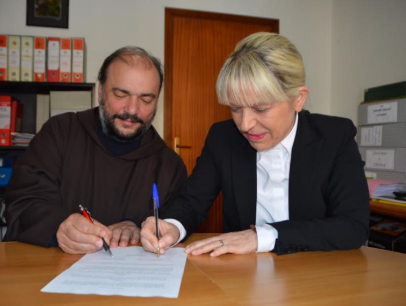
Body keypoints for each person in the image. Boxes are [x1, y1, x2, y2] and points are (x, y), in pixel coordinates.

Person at [141, 32, 370, 256]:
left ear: (298, 99)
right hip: (244, 277)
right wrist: (172, 225)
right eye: (235, 108)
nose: (245, 124)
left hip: (315, 276)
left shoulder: (334, 136)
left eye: (261, 109)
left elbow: (352, 227)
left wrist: (261, 237)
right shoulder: (223, 137)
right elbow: (192, 201)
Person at [4, 47, 187, 254]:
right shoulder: (60, 133)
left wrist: (136, 226)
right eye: (120, 94)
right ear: (100, 90)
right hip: (52, 271)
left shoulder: (169, 165)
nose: (132, 109)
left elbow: (174, 223)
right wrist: (59, 226)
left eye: (146, 99)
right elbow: (21, 203)